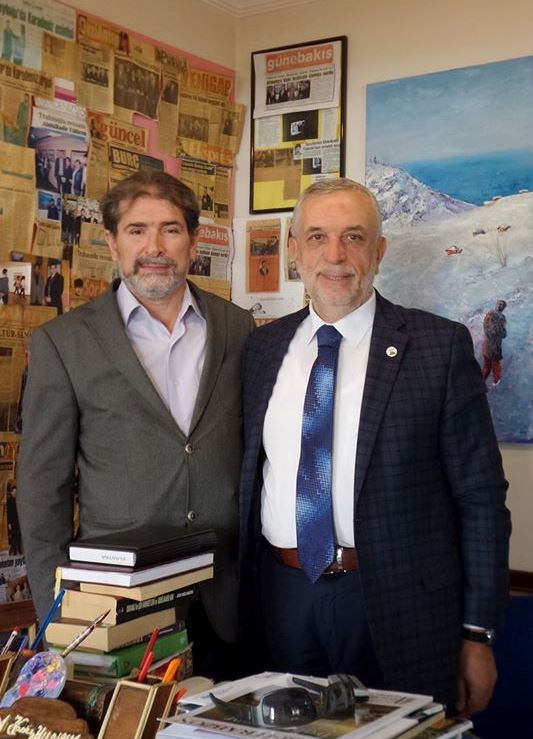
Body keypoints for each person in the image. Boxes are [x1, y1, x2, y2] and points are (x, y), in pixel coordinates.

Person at [239, 178, 510, 715]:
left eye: (354, 237)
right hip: (283, 597)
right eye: (317, 237)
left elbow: (480, 498)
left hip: (398, 603)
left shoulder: (437, 347)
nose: (335, 255)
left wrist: (477, 633)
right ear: (294, 251)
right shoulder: (262, 348)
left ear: (379, 251)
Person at [17, 171, 255, 679]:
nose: (154, 247)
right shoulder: (64, 342)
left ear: (193, 241)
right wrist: (58, 614)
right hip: (118, 605)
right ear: (112, 243)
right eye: (137, 230)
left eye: (170, 229)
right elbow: (41, 491)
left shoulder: (237, 327)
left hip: (227, 600)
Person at [481, 299, 507, 385]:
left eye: (502, 305)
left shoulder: (503, 318)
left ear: (504, 308)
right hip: (490, 344)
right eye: (499, 304)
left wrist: (500, 332)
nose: (500, 306)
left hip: (495, 345)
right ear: (496, 304)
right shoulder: (491, 314)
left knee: (494, 365)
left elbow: (504, 333)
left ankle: (494, 382)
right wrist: (496, 332)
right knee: (489, 365)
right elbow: (486, 327)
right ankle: (483, 382)